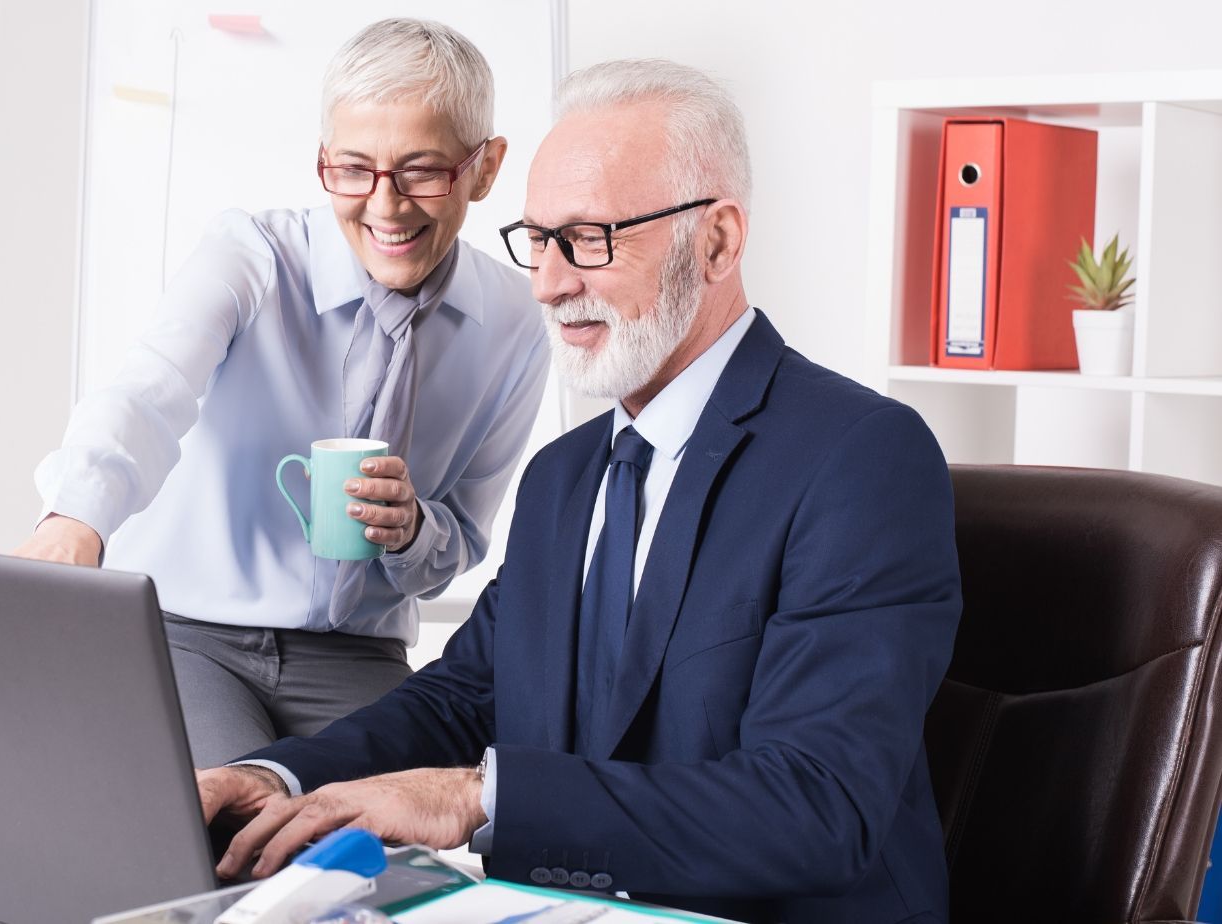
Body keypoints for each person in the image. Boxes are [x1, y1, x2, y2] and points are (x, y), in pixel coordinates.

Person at [197, 58, 961, 923]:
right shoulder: (564, 476)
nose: (553, 284)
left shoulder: (860, 457)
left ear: (717, 241)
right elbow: (466, 697)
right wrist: (270, 777)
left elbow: (817, 806)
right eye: (539, 240)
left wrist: (480, 798)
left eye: (591, 239)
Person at [18, 19, 550, 770]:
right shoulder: (253, 254)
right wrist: (75, 520)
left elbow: (459, 540)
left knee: (385, 840)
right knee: (228, 828)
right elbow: (149, 391)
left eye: (423, 171)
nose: (385, 205)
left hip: (356, 658)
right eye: (355, 169)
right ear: (323, 161)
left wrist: (409, 532)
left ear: (485, 168)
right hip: (186, 633)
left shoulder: (514, 324)